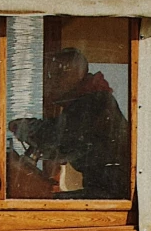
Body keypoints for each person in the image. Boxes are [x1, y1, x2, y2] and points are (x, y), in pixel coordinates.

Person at [9, 44, 130, 197]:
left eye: (53, 75)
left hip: (114, 192)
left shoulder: (93, 102)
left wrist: (26, 128)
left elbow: (57, 139)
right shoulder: (89, 98)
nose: (48, 82)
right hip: (107, 188)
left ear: (70, 75)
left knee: (48, 205)